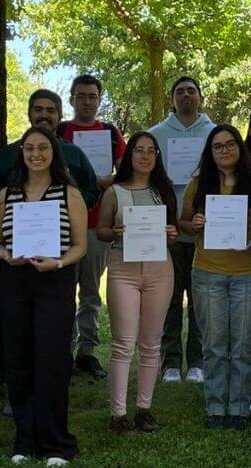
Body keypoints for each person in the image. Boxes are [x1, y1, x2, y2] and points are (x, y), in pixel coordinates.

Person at [0, 126, 88, 466]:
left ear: (53, 152)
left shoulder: (69, 194)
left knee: (52, 360)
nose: (36, 154)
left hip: (54, 281)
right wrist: (7, 257)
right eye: (29, 148)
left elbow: (80, 246)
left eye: (43, 147)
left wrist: (58, 262)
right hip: (15, 281)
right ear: (21, 152)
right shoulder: (6, 194)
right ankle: (25, 440)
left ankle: (57, 442)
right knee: (18, 360)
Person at [179, 125, 251, 429]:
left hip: (249, 273)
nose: (224, 151)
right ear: (210, 152)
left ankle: (240, 408)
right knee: (214, 345)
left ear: (240, 148)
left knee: (244, 345)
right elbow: (185, 224)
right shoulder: (199, 183)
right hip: (208, 272)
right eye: (218, 146)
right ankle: (216, 407)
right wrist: (196, 223)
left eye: (230, 144)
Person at [98, 131, 178, 435]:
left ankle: (144, 409)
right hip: (123, 268)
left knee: (151, 343)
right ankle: (118, 413)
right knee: (122, 343)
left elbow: (171, 229)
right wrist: (115, 231)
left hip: (159, 268)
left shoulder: (163, 191)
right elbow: (101, 231)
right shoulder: (114, 192)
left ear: (157, 157)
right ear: (129, 155)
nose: (145, 156)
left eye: (151, 151)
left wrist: (170, 234)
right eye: (139, 150)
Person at [57, 74, 127, 380]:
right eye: (81, 96)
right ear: (71, 99)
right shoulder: (59, 132)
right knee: (62, 290)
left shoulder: (110, 133)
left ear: (100, 100)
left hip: (97, 222)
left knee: (90, 291)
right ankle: (63, 351)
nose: (87, 102)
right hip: (61, 224)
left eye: (92, 96)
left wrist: (104, 181)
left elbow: (127, 169)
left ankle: (87, 351)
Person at [149, 76, 217, 384]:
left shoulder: (215, 134)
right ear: (172, 99)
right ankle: (171, 362)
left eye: (191, 91)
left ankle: (199, 361)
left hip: (208, 232)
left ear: (200, 97)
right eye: (180, 91)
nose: (186, 96)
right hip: (169, 232)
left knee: (202, 300)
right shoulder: (156, 136)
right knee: (171, 299)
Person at [0, 89, 99, 211]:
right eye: (38, 110)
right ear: (29, 114)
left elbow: (92, 193)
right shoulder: (7, 154)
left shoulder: (74, 153)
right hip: (17, 224)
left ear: (60, 116)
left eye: (51, 111)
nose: (44, 115)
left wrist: (64, 200)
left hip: (64, 226)